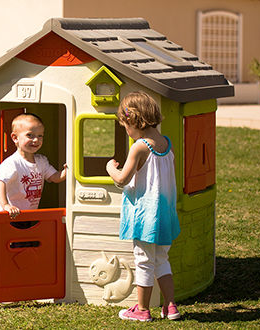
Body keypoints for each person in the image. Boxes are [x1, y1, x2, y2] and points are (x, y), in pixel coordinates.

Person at [106, 91, 181, 322]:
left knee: (143, 261)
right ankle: (170, 307)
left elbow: (122, 179)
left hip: (146, 216)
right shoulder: (166, 143)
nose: (126, 131)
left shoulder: (140, 146)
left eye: (125, 126)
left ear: (133, 121)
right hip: (164, 215)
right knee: (161, 260)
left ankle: (142, 309)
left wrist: (110, 167)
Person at [0, 113, 67, 218]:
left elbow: (55, 177)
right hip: (8, 214)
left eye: (40, 136)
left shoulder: (41, 161)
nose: (36, 140)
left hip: (26, 214)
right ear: (15, 138)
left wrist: (67, 171)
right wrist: (5, 205)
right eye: (30, 135)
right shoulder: (12, 163)